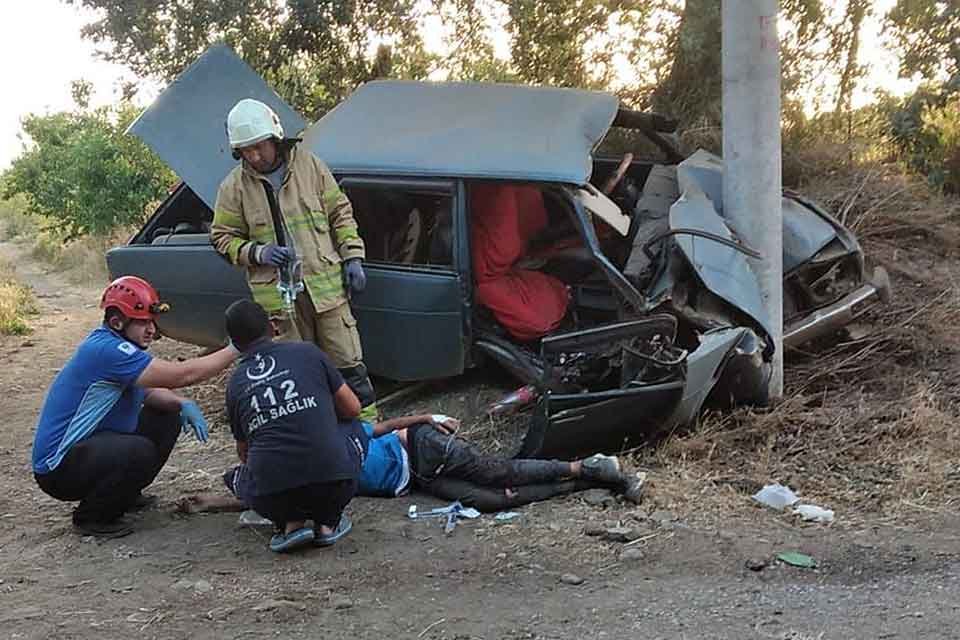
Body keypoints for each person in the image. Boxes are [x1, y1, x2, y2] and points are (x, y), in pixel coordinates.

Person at [210, 98, 378, 421]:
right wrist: (258, 252)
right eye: (246, 150)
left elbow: (340, 214)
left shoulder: (311, 167)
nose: (254, 156)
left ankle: (369, 435)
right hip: (279, 305)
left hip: (327, 293)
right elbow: (221, 238)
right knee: (296, 376)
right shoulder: (233, 188)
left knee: (348, 365)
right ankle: (317, 437)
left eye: (259, 147)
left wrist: (353, 257)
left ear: (275, 138)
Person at [31, 276, 239, 538]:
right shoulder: (107, 350)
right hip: (58, 469)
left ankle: (123, 494)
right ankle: (92, 517)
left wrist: (181, 402)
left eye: (153, 321)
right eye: (143, 322)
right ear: (117, 322)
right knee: (138, 450)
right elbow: (182, 375)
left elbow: (148, 389)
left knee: (166, 415)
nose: (151, 329)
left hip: (89, 450)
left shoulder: (118, 347)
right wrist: (236, 348)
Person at [180, 410, 645, 518]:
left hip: (418, 446)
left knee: (496, 472)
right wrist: (212, 503)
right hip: (416, 480)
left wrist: (427, 417)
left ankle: (584, 466)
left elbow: (379, 426)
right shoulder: (298, 479)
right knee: (490, 501)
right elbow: (256, 497)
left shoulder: (325, 440)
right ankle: (588, 482)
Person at [223, 299, 366, 553]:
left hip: (272, 498)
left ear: (234, 342)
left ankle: (290, 523)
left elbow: (244, 452)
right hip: (334, 487)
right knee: (355, 427)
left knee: (250, 471)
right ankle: (327, 524)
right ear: (272, 327)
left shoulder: (235, 383)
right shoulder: (307, 352)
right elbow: (353, 409)